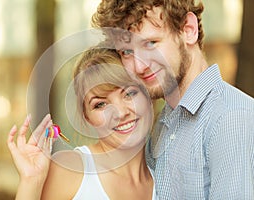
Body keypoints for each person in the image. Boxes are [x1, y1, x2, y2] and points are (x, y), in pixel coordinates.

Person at [91, 0, 254, 199]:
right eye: (127, 52)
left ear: (188, 30)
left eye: (150, 43)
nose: (139, 66)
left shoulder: (231, 118)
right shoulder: (163, 123)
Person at [7, 46, 159, 199]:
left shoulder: (165, 181)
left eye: (130, 94)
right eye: (101, 104)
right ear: (87, 117)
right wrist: (31, 180)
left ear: (149, 96)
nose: (120, 113)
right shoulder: (70, 169)